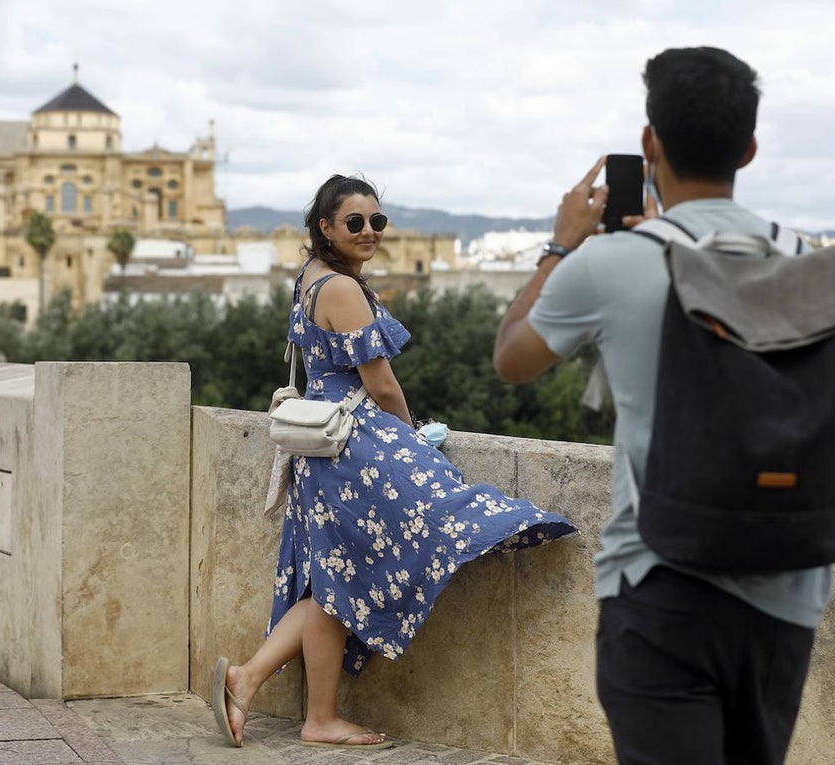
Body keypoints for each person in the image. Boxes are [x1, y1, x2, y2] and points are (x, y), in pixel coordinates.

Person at [492, 47, 830, 764]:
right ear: (749, 147)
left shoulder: (613, 262)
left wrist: (562, 244)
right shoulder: (808, 261)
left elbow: (512, 357)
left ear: (651, 144)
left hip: (658, 580)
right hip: (787, 584)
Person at [213, 174, 577, 750]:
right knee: (443, 512)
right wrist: (408, 437)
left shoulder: (308, 279)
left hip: (322, 451)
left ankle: (259, 685)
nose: (369, 232)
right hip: (351, 448)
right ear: (325, 227)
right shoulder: (342, 289)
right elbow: (380, 385)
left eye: (377, 221)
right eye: (354, 222)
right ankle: (298, 706)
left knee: (333, 584)